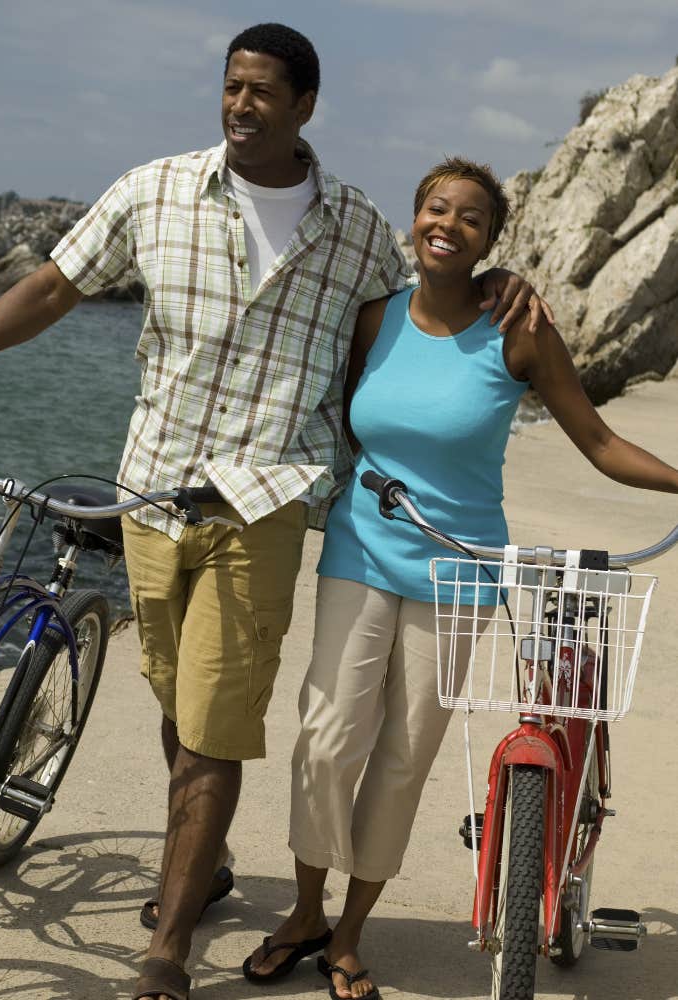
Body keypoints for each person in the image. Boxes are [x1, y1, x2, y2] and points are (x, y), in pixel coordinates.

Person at [0, 25, 545, 1000]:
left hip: (264, 508)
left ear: (304, 106)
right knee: (175, 697)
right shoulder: (153, 189)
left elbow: (423, 306)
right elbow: (54, 285)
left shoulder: (355, 229)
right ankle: (204, 854)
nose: (241, 104)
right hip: (148, 490)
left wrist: (496, 288)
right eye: (231, 86)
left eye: (263, 91)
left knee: (212, 728)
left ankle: (169, 946)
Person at [242, 156, 678, 1000]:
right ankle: (305, 912)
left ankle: (351, 937)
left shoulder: (519, 331)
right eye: (436, 208)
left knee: (404, 760)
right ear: (415, 219)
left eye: (470, 217)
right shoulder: (372, 321)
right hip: (360, 550)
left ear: (491, 239)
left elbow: (595, 439)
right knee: (327, 741)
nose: (448, 224)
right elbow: (304, 404)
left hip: (462, 571)